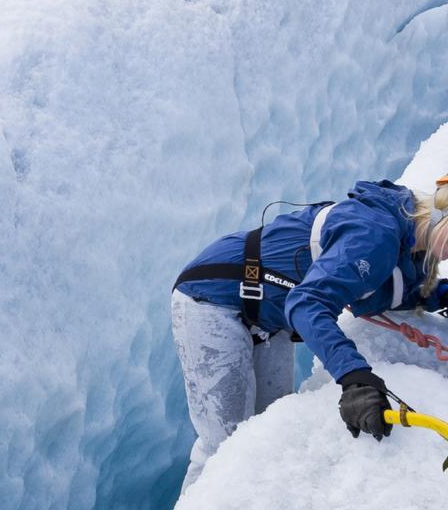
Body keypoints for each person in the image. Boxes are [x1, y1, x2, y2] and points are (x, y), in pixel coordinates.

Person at [172, 176, 448, 493]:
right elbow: (307, 302)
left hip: (269, 320)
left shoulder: (410, 251)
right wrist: (354, 378)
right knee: (222, 447)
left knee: (264, 436)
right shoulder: (376, 235)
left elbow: (397, 292)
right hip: (212, 299)